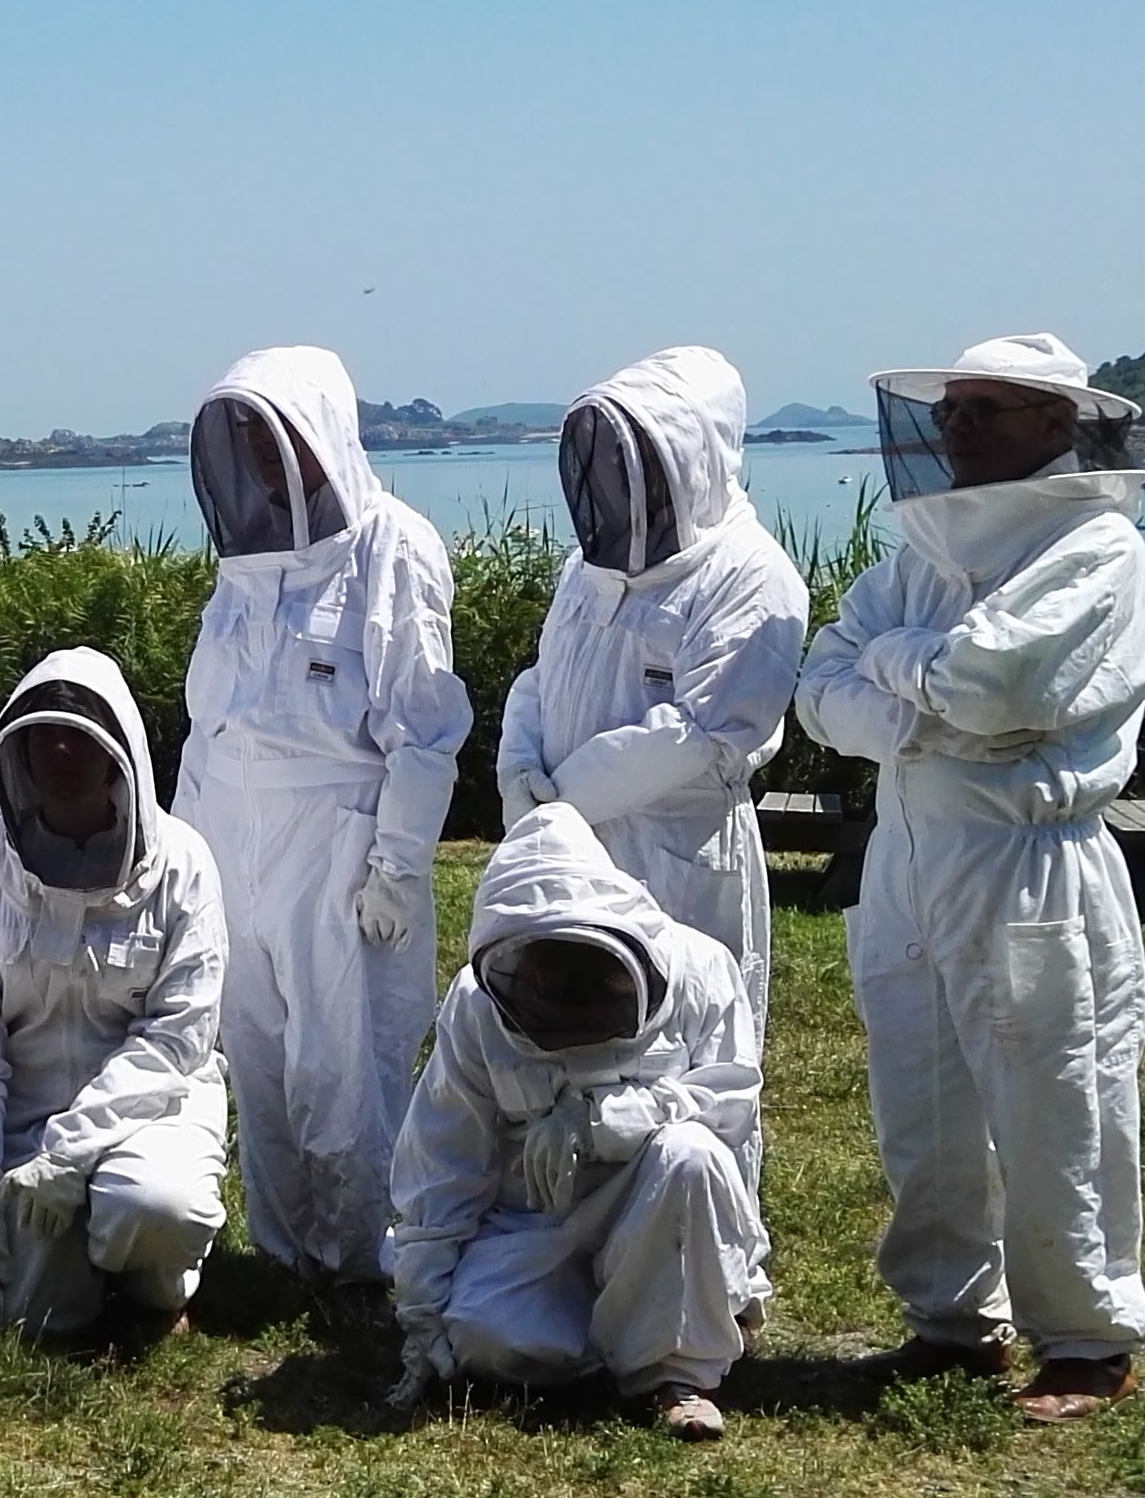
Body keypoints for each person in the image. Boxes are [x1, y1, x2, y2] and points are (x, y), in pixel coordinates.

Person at [793, 332, 1145, 1425]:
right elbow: (818, 686)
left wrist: (899, 677)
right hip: (906, 848)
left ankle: (1087, 1338)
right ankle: (952, 1320)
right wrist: (916, 703)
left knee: (1056, 1093)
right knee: (924, 1090)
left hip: (1023, 854)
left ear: (1055, 423)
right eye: (950, 408)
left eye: (987, 408)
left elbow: (989, 686)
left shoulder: (1092, 547)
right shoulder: (921, 552)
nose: (956, 426)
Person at [177, 347, 471, 1335]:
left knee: (342, 1058)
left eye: (275, 430)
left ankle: (361, 1258)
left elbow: (423, 730)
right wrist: (176, 853)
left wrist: (396, 861)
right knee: (253, 1043)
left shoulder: (395, 547)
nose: (261, 454)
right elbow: (204, 727)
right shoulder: (244, 568)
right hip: (231, 839)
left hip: (339, 845)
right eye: (245, 435)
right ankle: (284, 1247)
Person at [385, 805, 769, 1439]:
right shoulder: (477, 1006)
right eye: (545, 984)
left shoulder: (701, 970)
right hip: (536, 1221)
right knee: (483, 1339)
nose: (569, 1004)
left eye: (592, 986)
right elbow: (444, 1159)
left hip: (661, 1205)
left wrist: (609, 1118)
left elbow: (731, 1106)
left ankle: (676, 1374)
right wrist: (425, 1320)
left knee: (691, 1153)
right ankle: (624, 1341)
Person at [494, 347, 807, 1016]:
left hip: (674, 855)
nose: (611, 472)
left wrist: (557, 807)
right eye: (605, 453)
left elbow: (699, 735)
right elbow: (542, 679)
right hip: (565, 846)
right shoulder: (587, 566)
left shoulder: (752, 575)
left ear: (692, 456)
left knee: (683, 1047)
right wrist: (518, 772)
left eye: (630, 453)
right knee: (557, 1045)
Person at [0, 649, 228, 1341]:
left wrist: (74, 1152)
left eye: (82, 732)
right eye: (43, 733)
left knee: (156, 1207)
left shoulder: (182, 863)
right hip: (27, 1128)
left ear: (118, 751)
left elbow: (175, 1040)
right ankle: (78, 1266)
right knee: (31, 1320)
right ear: (18, 751)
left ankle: (156, 1288)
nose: (61, 748)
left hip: (153, 1116)